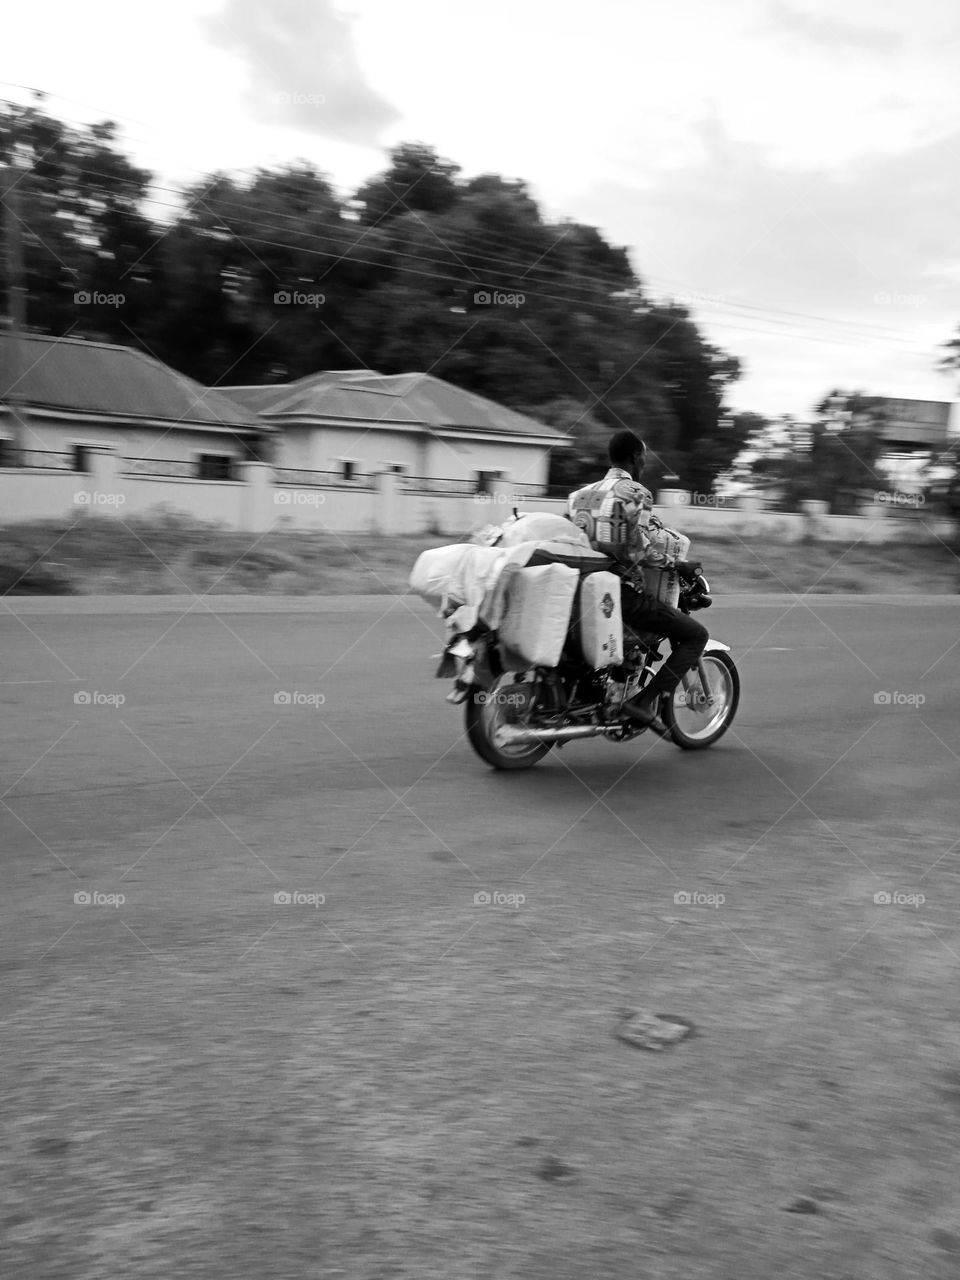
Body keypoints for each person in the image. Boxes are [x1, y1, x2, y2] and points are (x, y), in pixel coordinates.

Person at [567, 430, 708, 734]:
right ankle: (641, 703)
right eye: (644, 455)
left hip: (582, 588)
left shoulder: (579, 495)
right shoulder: (636, 493)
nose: (645, 461)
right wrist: (678, 565)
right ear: (634, 456)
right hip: (621, 593)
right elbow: (638, 550)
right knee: (696, 635)